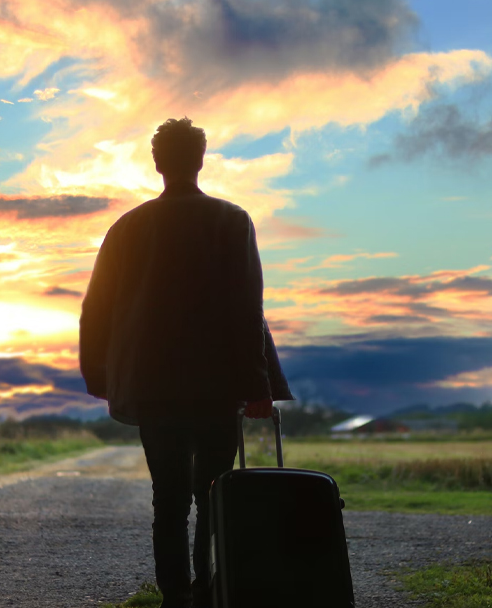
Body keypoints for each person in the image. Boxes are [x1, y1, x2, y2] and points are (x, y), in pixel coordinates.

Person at [79, 117, 293, 608]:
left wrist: (101, 376)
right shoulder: (231, 219)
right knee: (214, 495)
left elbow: (97, 306)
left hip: (152, 386)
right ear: (200, 159)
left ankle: (175, 597)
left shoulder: (126, 227)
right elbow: (247, 308)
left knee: (168, 499)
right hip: (217, 384)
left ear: (157, 163)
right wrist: (258, 384)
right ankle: (210, 591)